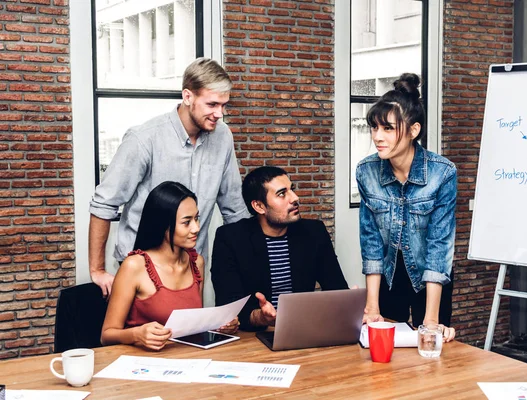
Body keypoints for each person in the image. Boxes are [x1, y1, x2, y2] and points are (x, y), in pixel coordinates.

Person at [89, 58, 250, 297]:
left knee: (188, 333)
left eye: (224, 105)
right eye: (212, 104)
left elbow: (234, 209)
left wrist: (248, 269)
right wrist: (98, 270)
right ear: (187, 97)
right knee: (145, 335)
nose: (220, 114)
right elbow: (104, 203)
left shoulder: (223, 137)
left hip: (191, 267)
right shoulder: (144, 139)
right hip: (140, 268)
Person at [356, 73, 457, 342]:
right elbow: (372, 243)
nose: (378, 136)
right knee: (386, 355)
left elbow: (439, 245)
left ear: (414, 130)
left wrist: (432, 322)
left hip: (431, 276)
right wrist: (372, 306)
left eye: (388, 128)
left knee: (430, 348)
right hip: (389, 276)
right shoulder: (366, 171)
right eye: (374, 128)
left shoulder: (442, 173)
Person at [101, 181, 239, 351]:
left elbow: (193, 327)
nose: (196, 228)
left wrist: (220, 326)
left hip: (185, 360)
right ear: (163, 225)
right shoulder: (134, 266)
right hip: (141, 364)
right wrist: (137, 334)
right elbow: (106, 335)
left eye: (196, 218)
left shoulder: (197, 262)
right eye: (186, 222)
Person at [211, 166, 349, 331]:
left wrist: (349, 303)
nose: (294, 198)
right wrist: (261, 318)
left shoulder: (314, 232)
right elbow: (228, 305)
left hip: (303, 329)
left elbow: (336, 288)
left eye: (292, 190)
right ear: (259, 206)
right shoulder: (231, 238)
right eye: (282, 194)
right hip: (252, 337)